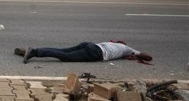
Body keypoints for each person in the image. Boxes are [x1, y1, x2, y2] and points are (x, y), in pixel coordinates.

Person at [15, 41, 152, 64]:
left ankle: (33, 50)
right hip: (95, 53)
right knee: (65, 57)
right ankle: (33, 52)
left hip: (90, 44)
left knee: (62, 51)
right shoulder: (127, 49)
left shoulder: (112, 44)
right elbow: (147, 56)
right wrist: (136, 54)